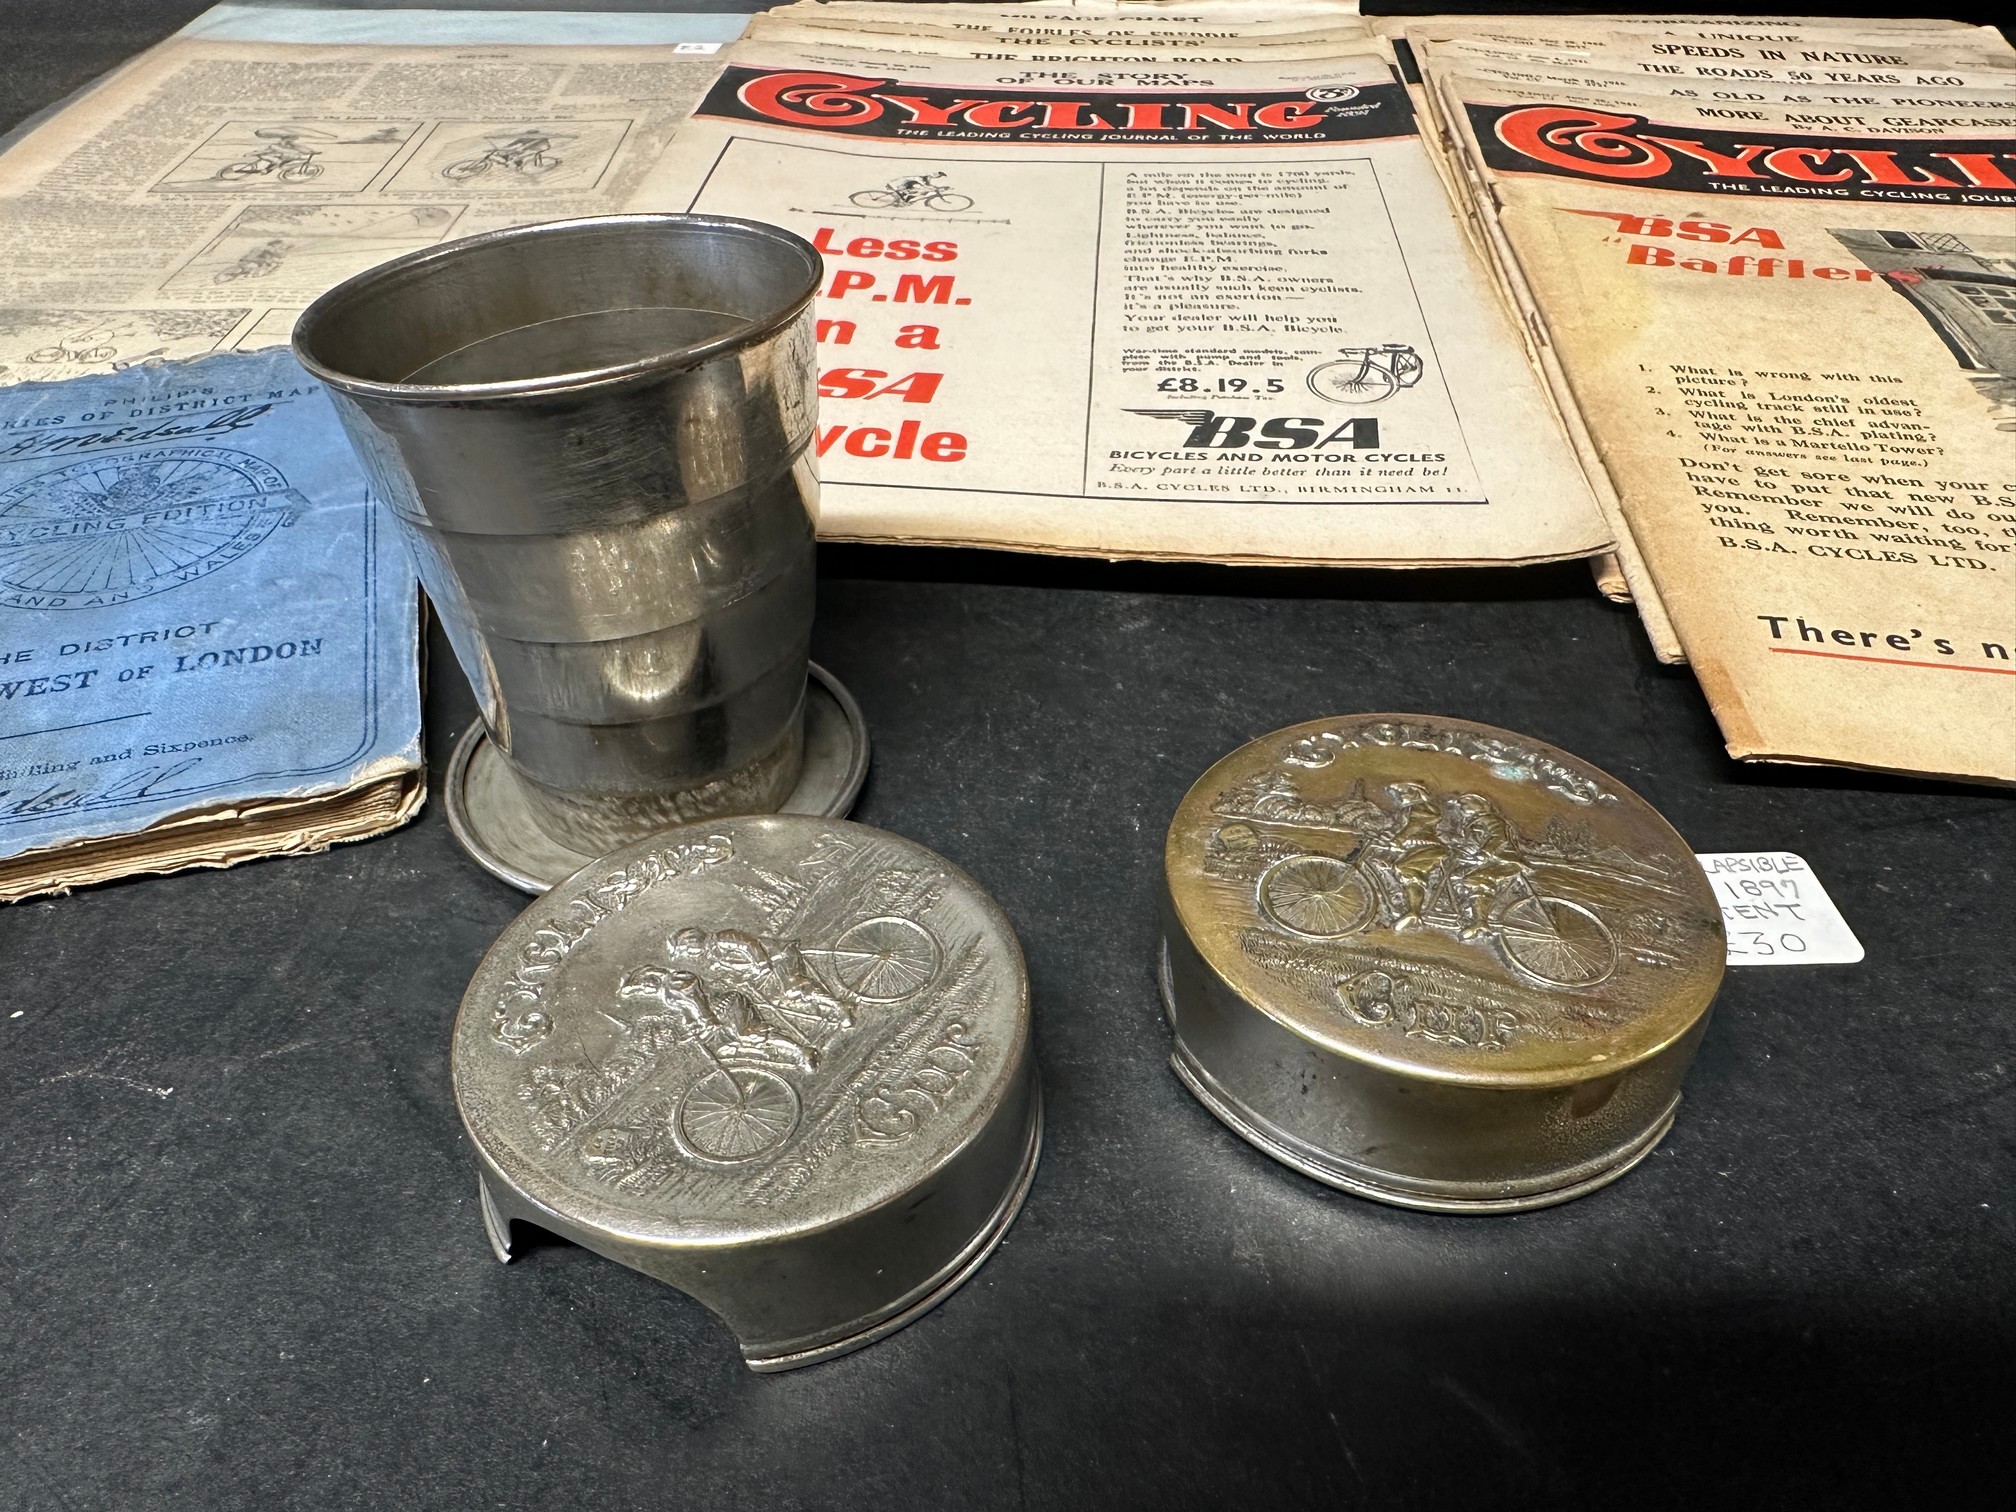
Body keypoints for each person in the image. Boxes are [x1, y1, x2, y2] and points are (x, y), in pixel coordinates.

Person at [1358, 782, 1447, 929]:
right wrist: (1382, 836)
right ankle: (1396, 896)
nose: (1401, 796)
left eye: (1405, 792)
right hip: (1410, 848)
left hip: (1428, 848)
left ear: (1416, 792)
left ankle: (1414, 912)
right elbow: (1396, 828)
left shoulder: (1424, 808)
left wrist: (1398, 839)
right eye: (1400, 793)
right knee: (1380, 862)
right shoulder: (1406, 810)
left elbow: (1414, 826)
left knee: (1405, 868)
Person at [1441, 793, 1527, 940]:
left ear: (1480, 804)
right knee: (1455, 875)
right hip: (1488, 862)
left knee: (1476, 879)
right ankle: (1470, 909)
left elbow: (1498, 838)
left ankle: (1481, 922)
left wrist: (1484, 854)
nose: (1463, 807)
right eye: (1462, 804)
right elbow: (1473, 842)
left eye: (1467, 803)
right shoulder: (1473, 823)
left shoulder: (1490, 819)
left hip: (1504, 862)